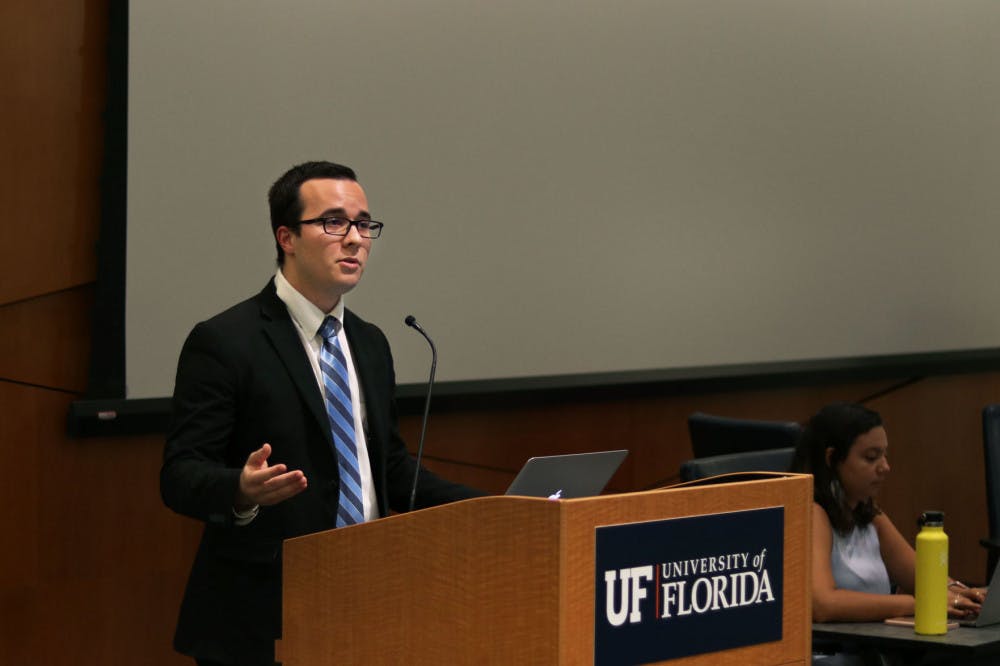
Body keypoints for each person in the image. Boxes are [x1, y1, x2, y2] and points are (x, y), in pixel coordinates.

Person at [160, 161, 485, 666]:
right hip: (266, 615)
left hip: (371, 598)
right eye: (334, 222)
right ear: (286, 237)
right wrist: (241, 490)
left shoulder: (370, 343)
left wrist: (494, 507)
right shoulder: (225, 341)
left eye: (364, 224)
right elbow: (180, 475)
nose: (355, 239)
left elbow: (389, 469)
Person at [790, 402, 985, 626]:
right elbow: (823, 604)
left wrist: (963, 594)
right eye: (871, 457)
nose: (885, 467)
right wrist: (916, 604)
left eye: (884, 455)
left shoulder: (868, 512)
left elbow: (925, 581)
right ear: (831, 458)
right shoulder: (812, 513)